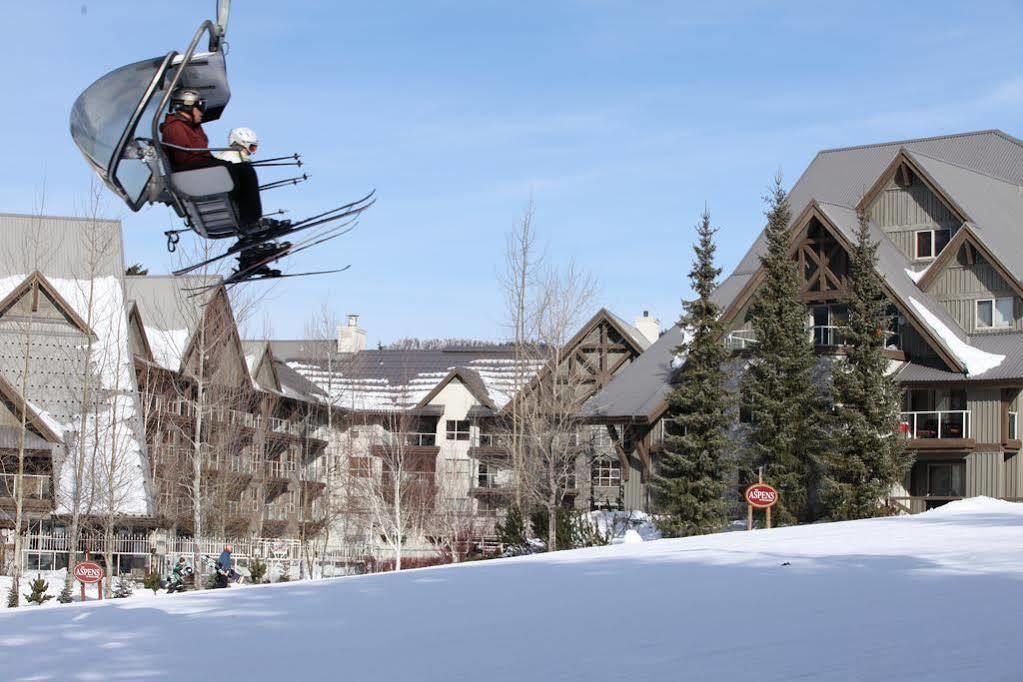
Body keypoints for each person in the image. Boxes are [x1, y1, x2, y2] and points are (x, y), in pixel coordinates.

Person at [159, 89, 264, 228]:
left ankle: (248, 220)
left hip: (196, 170)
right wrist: (217, 164)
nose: (202, 112)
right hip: (190, 174)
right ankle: (250, 222)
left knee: (242, 171)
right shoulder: (175, 127)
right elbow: (185, 158)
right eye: (200, 107)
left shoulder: (191, 127)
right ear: (188, 106)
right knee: (244, 171)